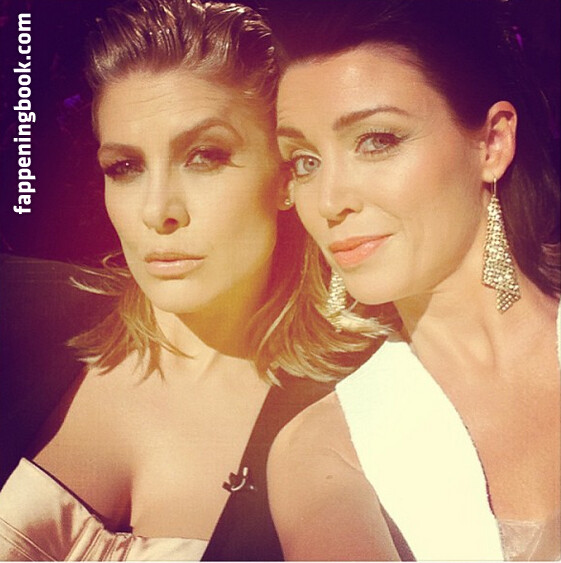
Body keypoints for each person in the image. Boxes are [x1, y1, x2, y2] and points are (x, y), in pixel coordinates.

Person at [0, 1, 379, 560]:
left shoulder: (362, 408)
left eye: (204, 156)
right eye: (125, 167)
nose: (157, 211)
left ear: (285, 175)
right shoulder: (18, 314)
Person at [267, 0, 561, 560]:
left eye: (376, 141)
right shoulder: (325, 451)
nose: (328, 201)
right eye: (304, 161)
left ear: (492, 144)